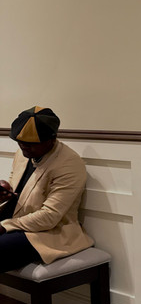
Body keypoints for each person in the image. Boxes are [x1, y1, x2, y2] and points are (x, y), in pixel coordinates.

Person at [0, 106, 93, 272]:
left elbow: (49, 217)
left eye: (30, 144)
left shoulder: (69, 164)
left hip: (47, 233)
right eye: (20, 142)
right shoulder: (23, 152)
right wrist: (4, 194)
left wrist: (5, 226)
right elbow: (18, 190)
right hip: (16, 220)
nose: (24, 147)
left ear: (52, 139)